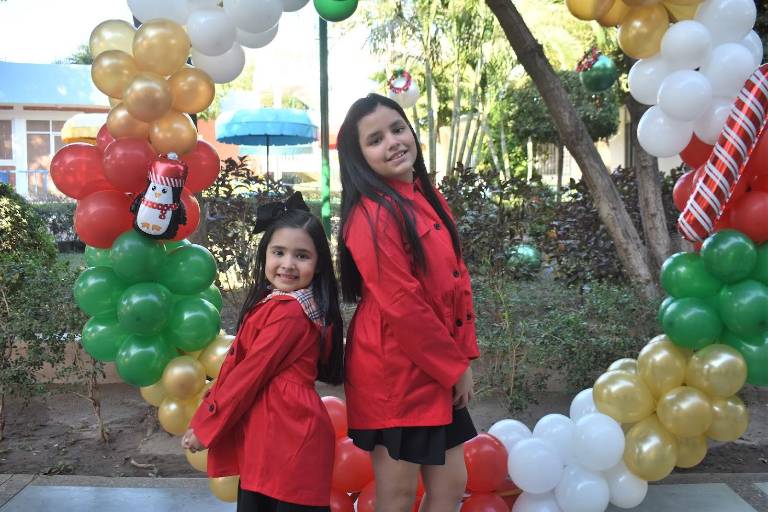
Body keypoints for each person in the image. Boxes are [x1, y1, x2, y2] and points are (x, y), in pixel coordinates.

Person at [336, 93, 479, 512]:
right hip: (393, 375)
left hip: (432, 365)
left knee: (452, 484)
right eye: (376, 139)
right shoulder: (371, 215)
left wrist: (462, 354)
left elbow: (455, 280)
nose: (394, 142)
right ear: (359, 157)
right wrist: (454, 367)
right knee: (397, 495)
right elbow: (403, 304)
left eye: (398, 129)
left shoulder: (424, 196)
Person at [181, 192, 344, 512]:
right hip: (272, 434)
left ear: (319, 263)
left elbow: (247, 375)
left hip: (288, 437)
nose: (287, 264)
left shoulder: (289, 313)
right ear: (264, 254)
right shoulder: (278, 304)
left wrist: (206, 425)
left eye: (301, 256)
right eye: (278, 252)